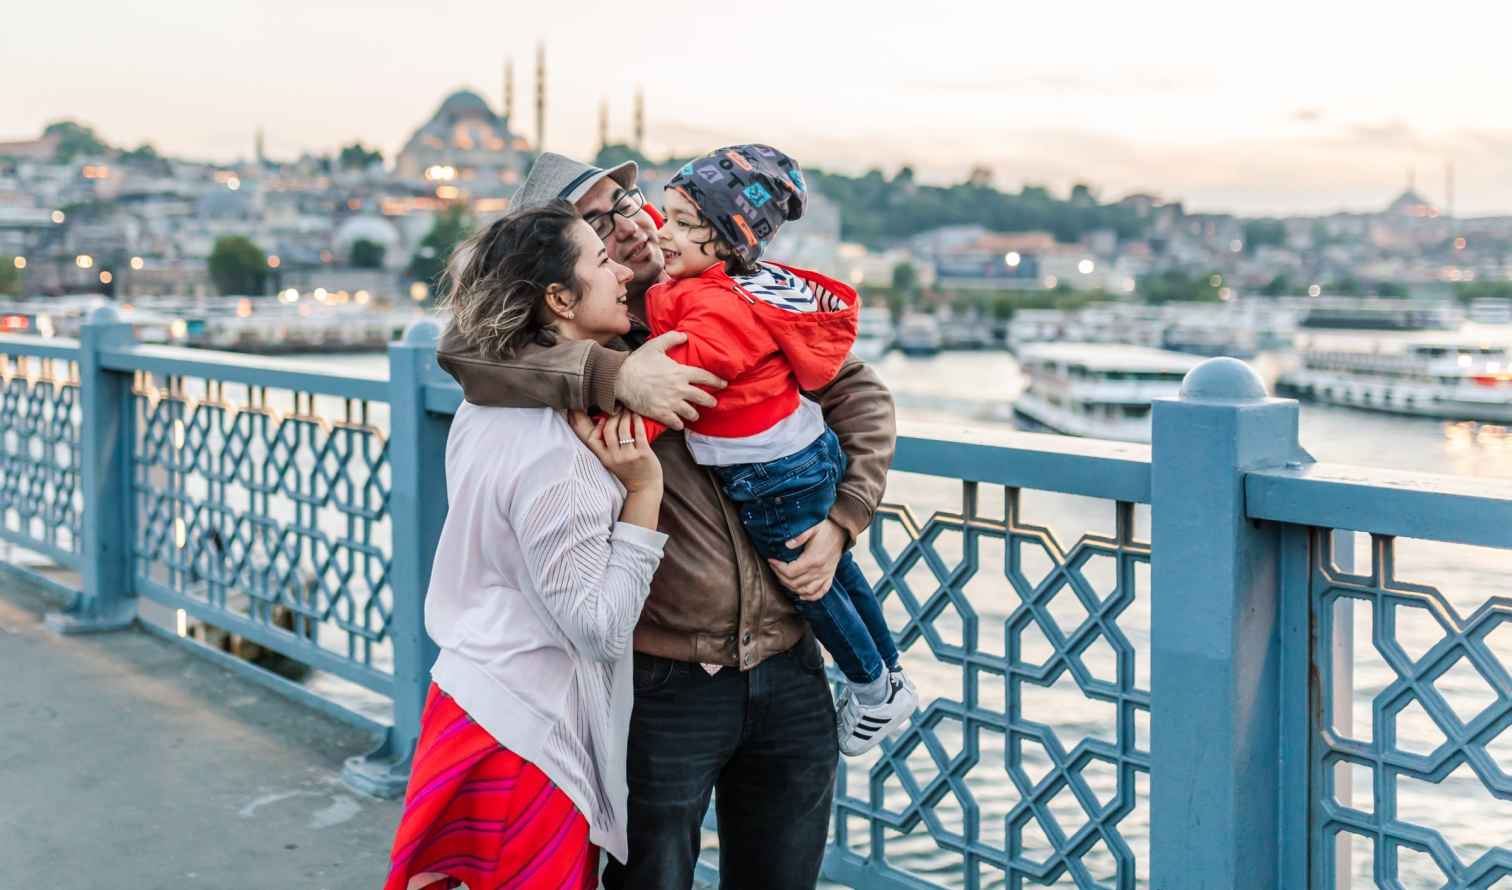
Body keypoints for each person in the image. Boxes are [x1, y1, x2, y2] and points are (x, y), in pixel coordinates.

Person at [436, 153, 899, 889]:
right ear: (560, 271)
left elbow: (862, 399)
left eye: (627, 200)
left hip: (789, 652)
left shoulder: (739, 291)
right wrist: (619, 373)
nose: (627, 225)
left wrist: (844, 520)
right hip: (667, 674)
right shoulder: (591, 332)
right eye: (595, 223)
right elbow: (463, 353)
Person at [384, 202, 668, 890]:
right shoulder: (555, 459)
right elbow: (597, 630)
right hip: (527, 733)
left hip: (470, 695)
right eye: (602, 261)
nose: (621, 271)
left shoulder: (485, 409)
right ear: (559, 298)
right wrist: (642, 494)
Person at [629, 144, 917, 755]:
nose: (662, 234)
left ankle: (870, 689)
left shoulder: (711, 304)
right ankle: (888, 671)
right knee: (834, 570)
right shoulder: (735, 285)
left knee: (807, 580)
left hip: (767, 470)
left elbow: (678, 387)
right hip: (799, 450)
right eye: (663, 217)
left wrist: (635, 429)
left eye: (682, 225)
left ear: (727, 239)